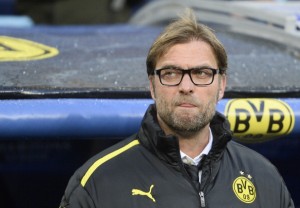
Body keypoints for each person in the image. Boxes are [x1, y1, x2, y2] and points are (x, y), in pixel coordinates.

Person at [59, 9, 294, 208]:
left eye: (201, 73)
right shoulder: (96, 183)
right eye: (171, 73)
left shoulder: (265, 177)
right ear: (152, 86)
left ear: (221, 85)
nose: (186, 86)